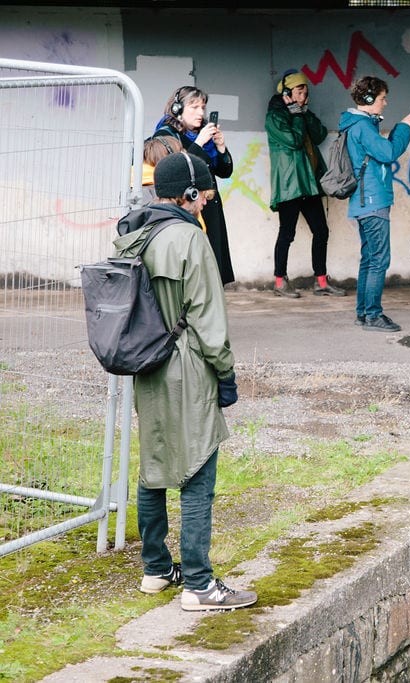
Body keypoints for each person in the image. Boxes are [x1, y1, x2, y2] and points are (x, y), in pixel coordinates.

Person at [113, 152, 257, 612]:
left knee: (153, 464)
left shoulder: (133, 233)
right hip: (188, 364)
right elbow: (209, 322)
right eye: (205, 191)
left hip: (145, 364)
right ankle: (199, 584)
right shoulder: (190, 239)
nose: (208, 198)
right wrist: (227, 374)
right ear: (189, 193)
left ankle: (155, 569)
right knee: (198, 468)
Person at [338, 76, 410, 332]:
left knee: (369, 258)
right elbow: (388, 153)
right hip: (371, 201)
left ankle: (363, 313)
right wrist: (403, 128)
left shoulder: (359, 125)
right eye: (382, 98)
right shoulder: (362, 127)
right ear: (369, 100)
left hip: (364, 202)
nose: (385, 103)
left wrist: (395, 131)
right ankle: (372, 315)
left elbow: (382, 148)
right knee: (379, 259)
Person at [265, 69, 344, 298]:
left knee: (321, 231)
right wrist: (297, 115)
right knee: (286, 234)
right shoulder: (275, 117)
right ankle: (280, 282)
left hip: (309, 184)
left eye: (305, 91)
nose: (304, 94)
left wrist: (304, 113)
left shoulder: (301, 113)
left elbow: (319, 135)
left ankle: (321, 281)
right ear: (287, 92)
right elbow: (295, 141)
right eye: (300, 90)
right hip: (290, 185)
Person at [154, 86, 235, 285]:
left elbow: (225, 172)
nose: (201, 113)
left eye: (203, 107)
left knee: (213, 265)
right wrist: (198, 143)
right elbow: (178, 168)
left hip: (209, 205)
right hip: (184, 208)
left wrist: (221, 147)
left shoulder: (204, 134)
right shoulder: (166, 134)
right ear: (177, 109)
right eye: (194, 107)